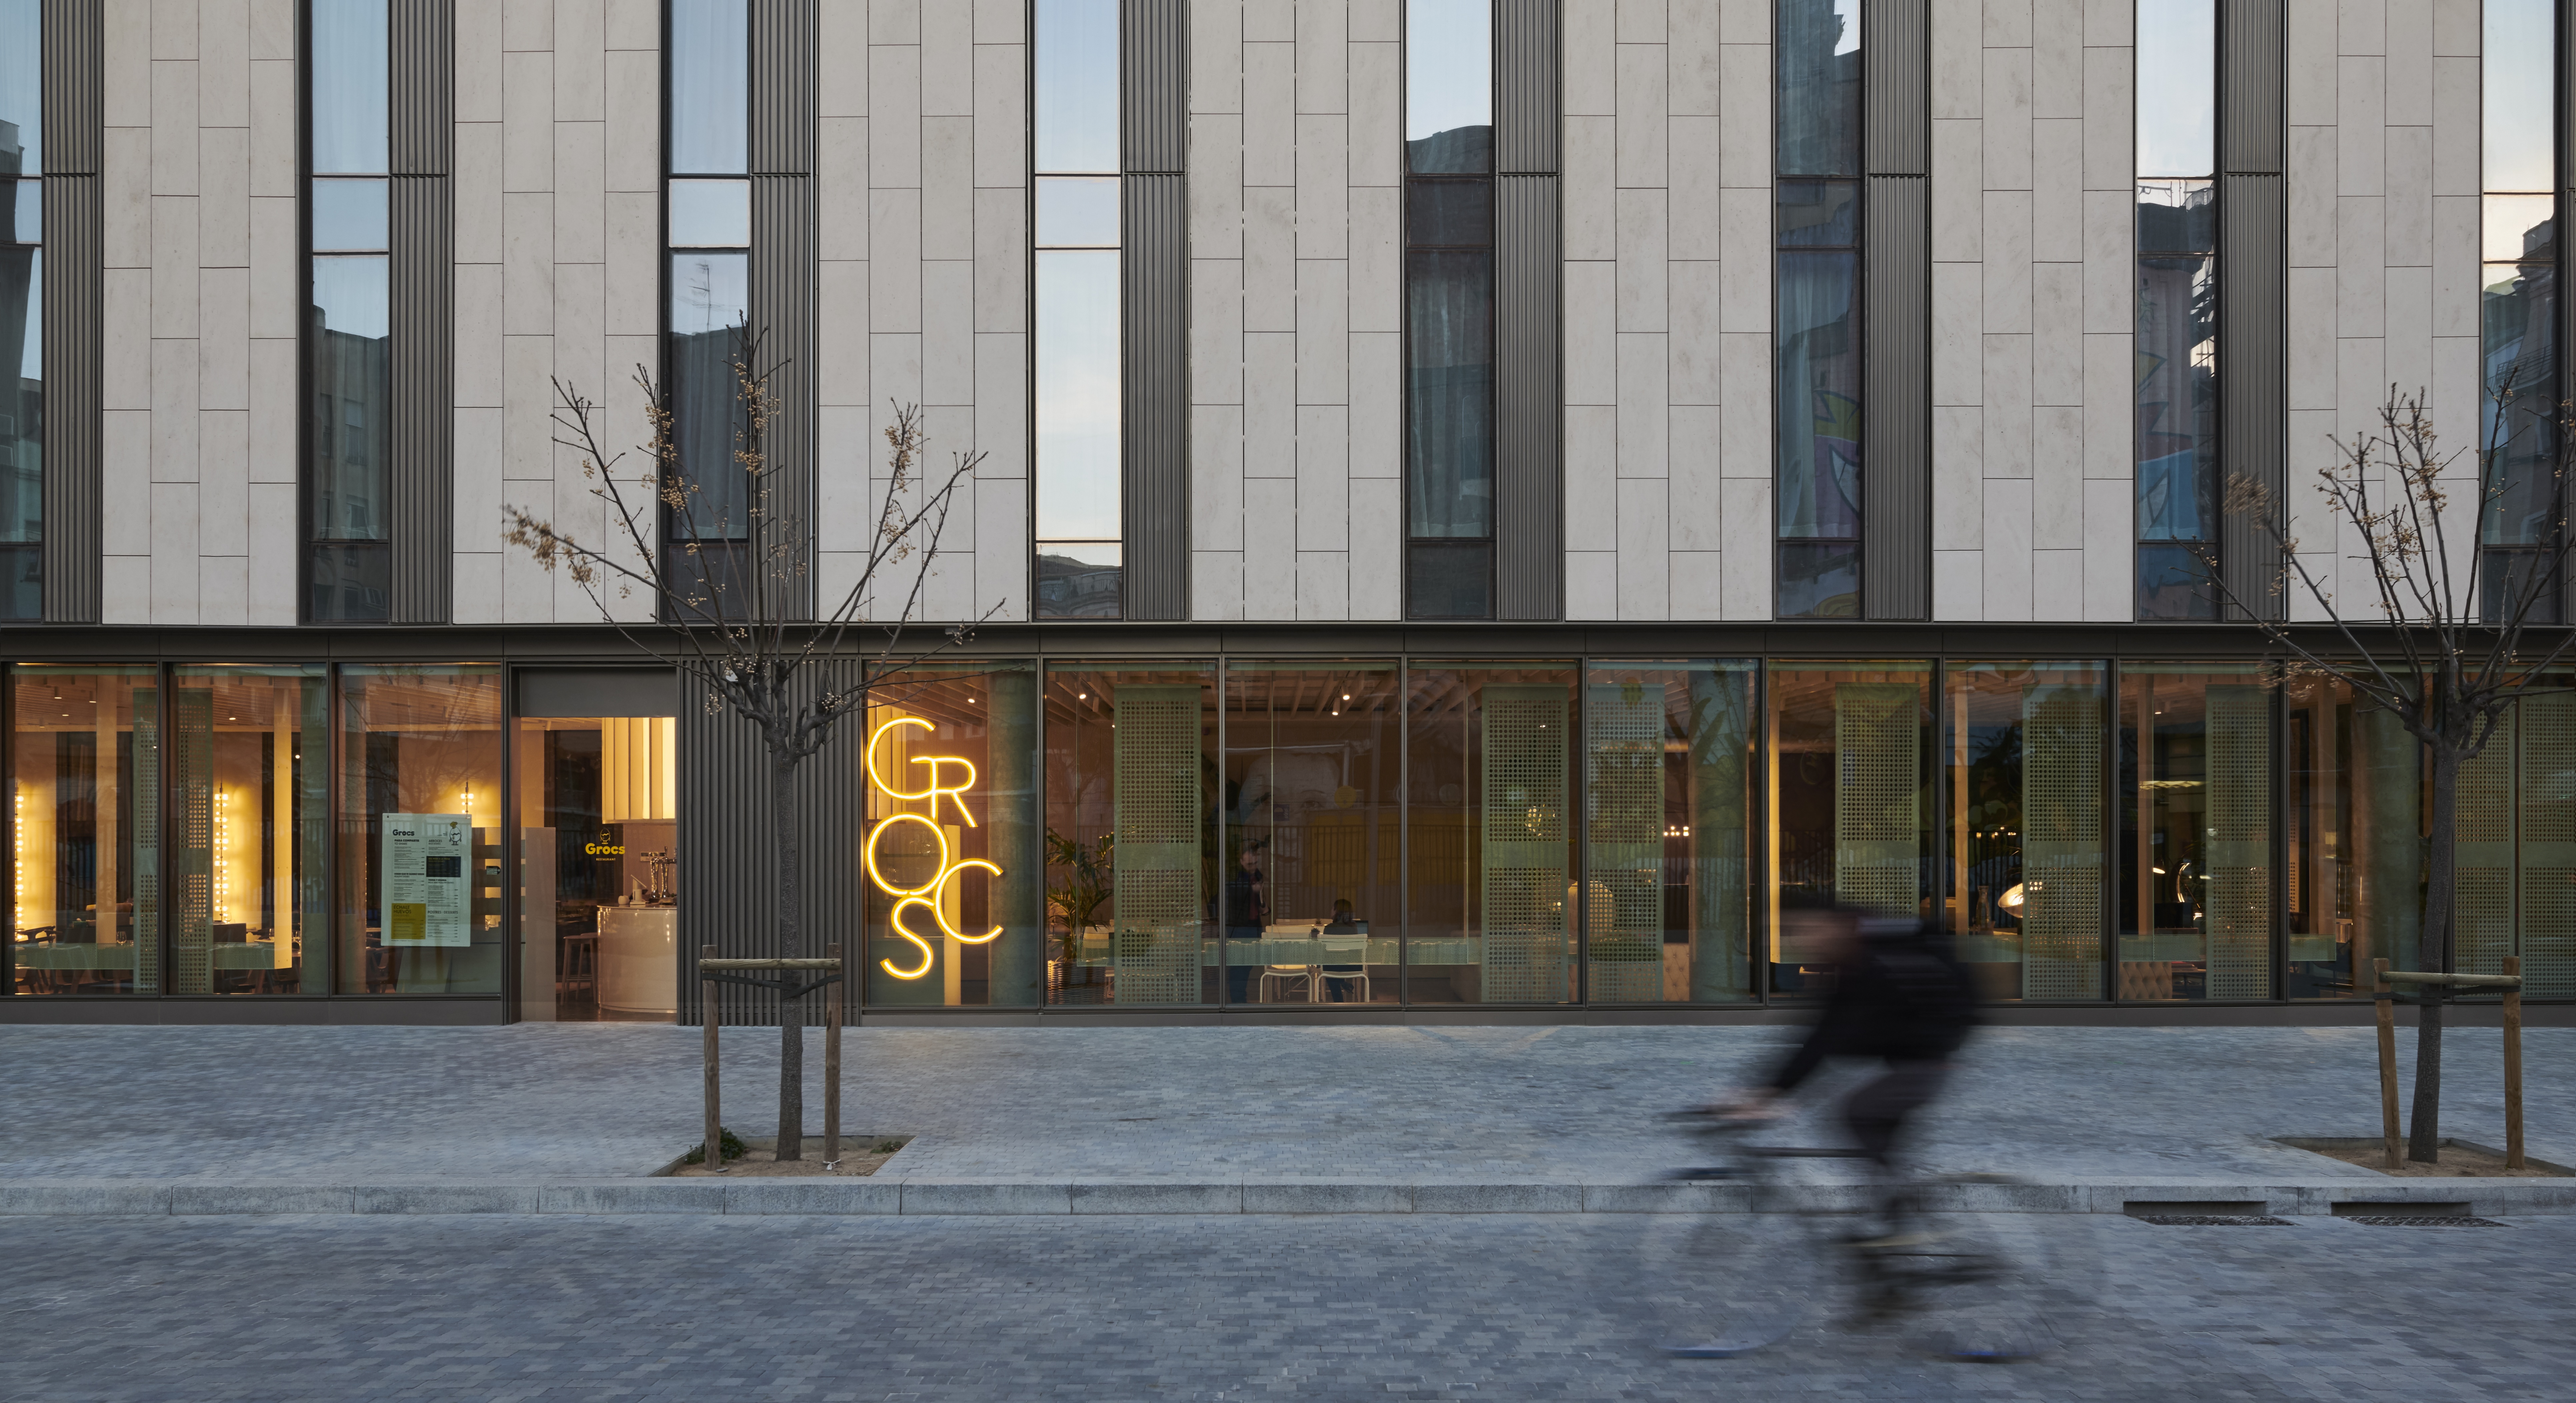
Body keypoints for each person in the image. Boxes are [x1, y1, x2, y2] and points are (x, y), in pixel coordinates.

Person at [1714, 893, 1980, 1170]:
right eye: (1796, 932)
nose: (1807, 941)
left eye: (1811, 930)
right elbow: (1821, 1036)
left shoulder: (1874, 964)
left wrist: (1771, 1093)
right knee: (1867, 1118)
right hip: (1905, 1051)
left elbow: (1829, 1038)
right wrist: (1770, 1090)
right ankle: (1890, 1179)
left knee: (1861, 1110)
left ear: (1839, 925)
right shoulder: (1852, 963)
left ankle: (1891, 1186)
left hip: (1930, 1053)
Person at [1223, 844, 1268, 1002]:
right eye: (1250, 864)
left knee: (1247, 965)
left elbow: (1261, 904)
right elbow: (1233, 898)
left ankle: (1241, 1000)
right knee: (1238, 967)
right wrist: (1252, 890)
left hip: (1253, 926)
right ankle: (1238, 1001)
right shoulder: (1235, 877)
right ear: (1241, 861)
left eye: (1255, 863)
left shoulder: (1258, 876)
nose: (1253, 867)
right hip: (1239, 927)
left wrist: (1263, 902)